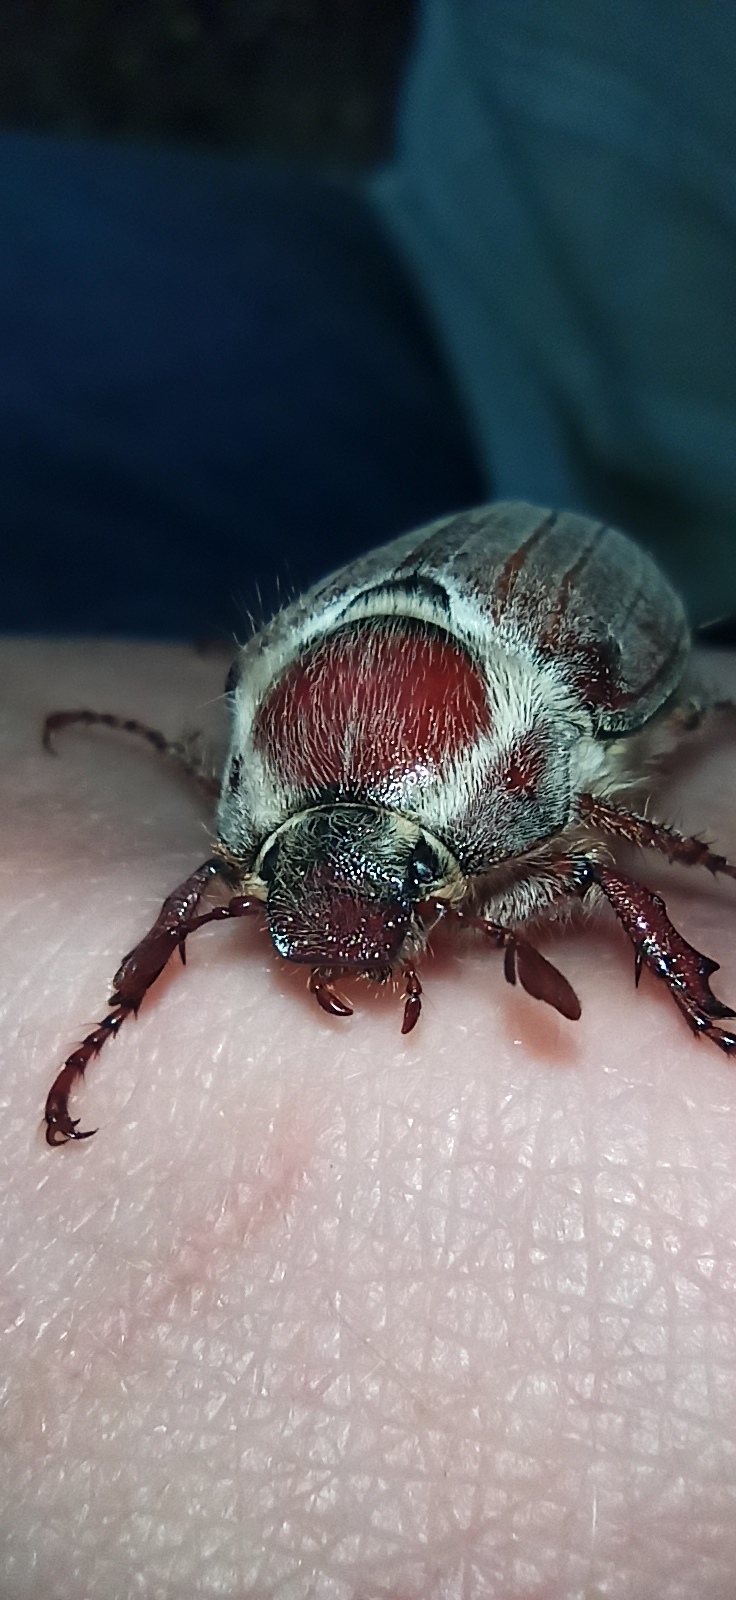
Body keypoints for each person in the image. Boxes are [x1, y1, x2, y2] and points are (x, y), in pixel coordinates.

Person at [2, 4, 736, 1594]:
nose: (328, 938)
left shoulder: (541, 774)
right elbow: (204, 878)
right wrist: (116, 1008)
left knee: (641, 847)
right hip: (476, 261)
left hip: (580, 563)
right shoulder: (261, 754)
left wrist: (692, 960)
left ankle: (706, 1007)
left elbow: (620, 859)